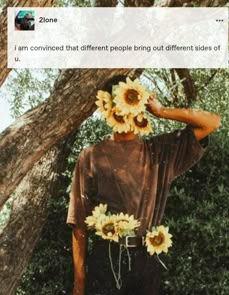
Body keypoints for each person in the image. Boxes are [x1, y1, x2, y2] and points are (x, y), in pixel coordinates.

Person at [67, 75, 221, 295]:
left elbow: (212, 122)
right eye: (118, 102)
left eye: (131, 101)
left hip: (146, 260)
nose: (126, 110)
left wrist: (161, 111)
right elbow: (79, 222)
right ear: (108, 107)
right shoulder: (91, 155)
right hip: (107, 259)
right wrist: (79, 282)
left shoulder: (160, 151)